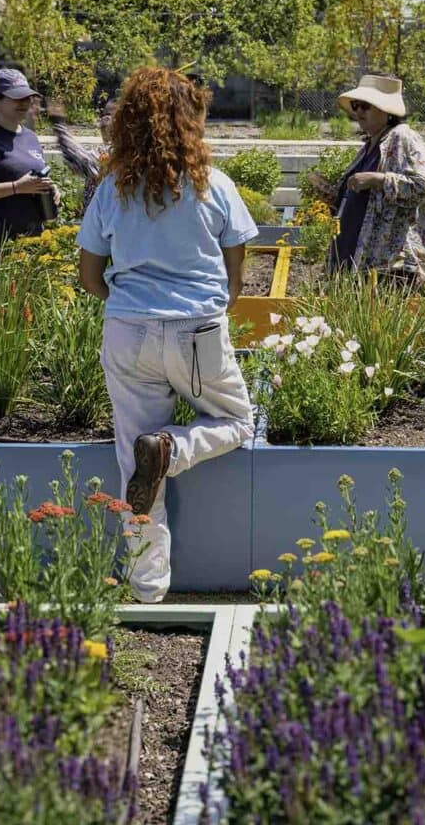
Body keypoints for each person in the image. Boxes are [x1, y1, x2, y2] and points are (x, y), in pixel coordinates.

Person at [76, 65, 257, 604]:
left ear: (128, 123)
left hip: (127, 329)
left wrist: (132, 305)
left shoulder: (111, 190)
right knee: (237, 421)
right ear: (191, 121)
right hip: (196, 329)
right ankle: (173, 449)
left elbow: (88, 277)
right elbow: (235, 271)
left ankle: (147, 587)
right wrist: (210, 306)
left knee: (134, 461)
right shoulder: (216, 187)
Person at [306, 74, 425, 290]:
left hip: (392, 265)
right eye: (356, 106)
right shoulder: (371, 145)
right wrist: (335, 197)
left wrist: (378, 179)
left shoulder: (402, 137)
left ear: (386, 111)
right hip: (359, 261)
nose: (358, 112)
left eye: (365, 106)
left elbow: (421, 187)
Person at [0, 68, 57, 258]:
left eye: (27, 98)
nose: (24, 103)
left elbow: (35, 178)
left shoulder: (30, 137)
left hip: (31, 245)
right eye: (17, 98)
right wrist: (16, 187)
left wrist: (50, 189)